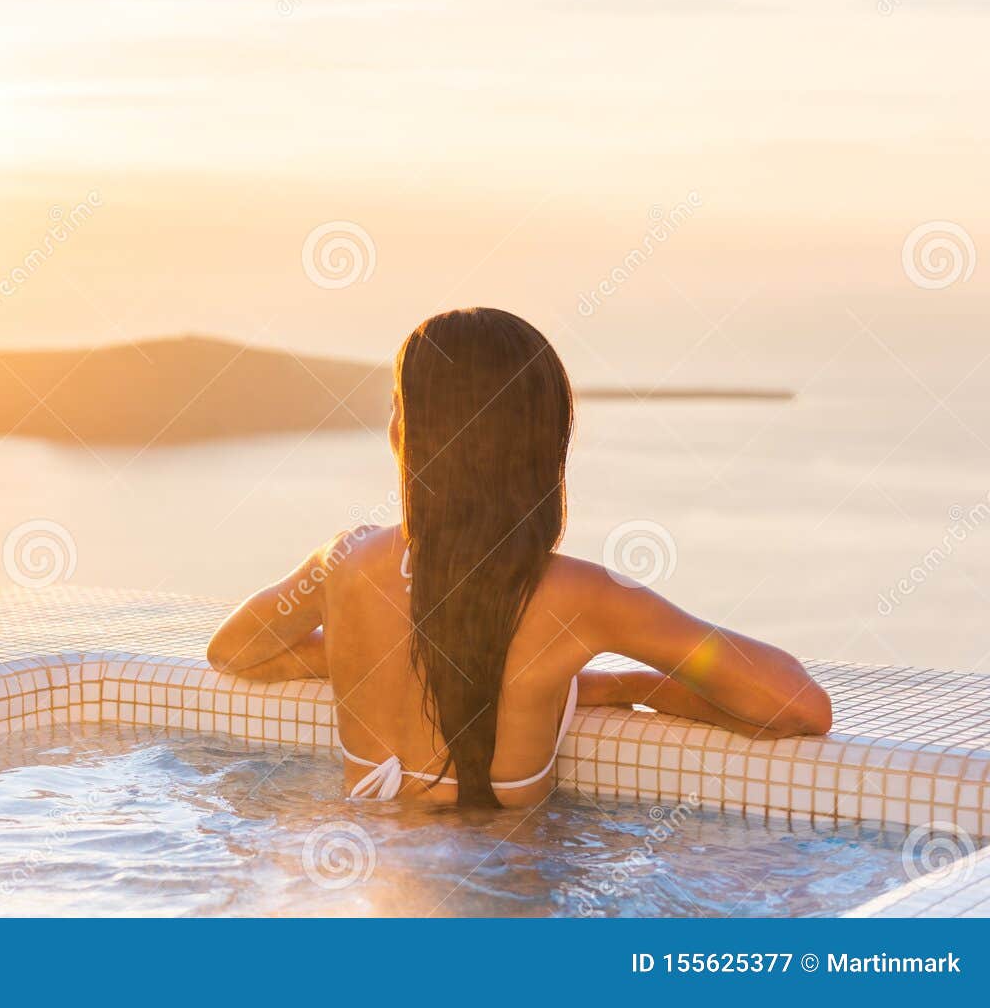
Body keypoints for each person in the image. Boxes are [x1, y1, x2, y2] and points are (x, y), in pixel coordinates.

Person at [206, 307, 831, 807]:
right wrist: (635, 685)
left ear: (404, 433)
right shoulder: (583, 597)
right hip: (505, 900)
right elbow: (799, 706)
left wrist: (357, 659)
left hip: (359, 884)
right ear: (546, 445)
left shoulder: (342, 560)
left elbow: (233, 650)